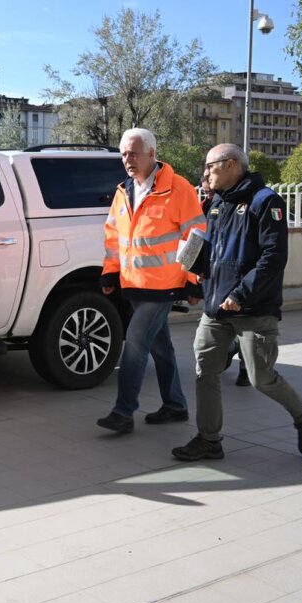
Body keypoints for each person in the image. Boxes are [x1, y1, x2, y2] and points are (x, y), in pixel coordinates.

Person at [173, 144, 302, 461]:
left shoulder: (265, 202)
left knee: (261, 378)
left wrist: (241, 295)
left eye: (210, 166)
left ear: (230, 165)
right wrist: (199, 270)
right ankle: (209, 440)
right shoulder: (216, 205)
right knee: (205, 373)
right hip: (216, 309)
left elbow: (273, 257)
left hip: (253, 309)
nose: (205, 172)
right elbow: (217, 251)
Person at [96, 128, 206, 433]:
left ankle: (123, 411)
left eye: (133, 153)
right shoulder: (123, 191)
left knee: (135, 343)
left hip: (164, 285)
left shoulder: (178, 188)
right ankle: (175, 405)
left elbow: (196, 236)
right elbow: (113, 237)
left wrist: (194, 281)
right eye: (123, 154)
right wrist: (110, 271)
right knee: (160, 347)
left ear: (152, 154)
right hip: (133, 284)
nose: (127, 159)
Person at [200, 169, 249, 387]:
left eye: (210, 193)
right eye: (205, 193)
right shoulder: (208, 207)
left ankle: (245, 369)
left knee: (245, 329)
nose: (208, 196)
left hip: (239, 280)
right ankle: (230, 350)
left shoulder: (239, 207)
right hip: (215, 283)